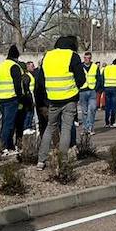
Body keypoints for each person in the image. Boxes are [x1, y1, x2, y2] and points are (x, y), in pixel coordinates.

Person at [37, 35, 86, 168]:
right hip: (69, 98)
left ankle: (41, 160)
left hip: (52, 99)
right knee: (65, 129)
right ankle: (62, 160)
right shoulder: (72, 55)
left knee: (50, 127)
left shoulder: (48, 56)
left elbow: (41, 80)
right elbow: (81, 79)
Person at [0, 46, 24, 154]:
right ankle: (3, 147)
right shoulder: (14, 66)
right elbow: (18, 85)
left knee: (6, 123)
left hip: (1, 97)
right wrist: (20, 97)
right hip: (11, 97)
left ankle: (9, 146)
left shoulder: (1, 66)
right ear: (16, 57)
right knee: (9, 124)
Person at [101, 58, 116, 128]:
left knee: (107, 106)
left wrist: (103, 87)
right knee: (114, 106)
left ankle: (106, 122)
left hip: (107, 88)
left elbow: (102, 79)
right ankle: (112, 122)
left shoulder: (106, 68)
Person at [79, 52, 99, 134]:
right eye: (86, 58)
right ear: (84, 58)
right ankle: (85, 128)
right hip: (83, 91)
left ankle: (90, 127)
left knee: (92, 109)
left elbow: (98, 78)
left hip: (92, 91)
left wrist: (96, 88)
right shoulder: (80, 66)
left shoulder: (95, 66)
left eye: (89, 58)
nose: (87, 59)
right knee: (84, 111)